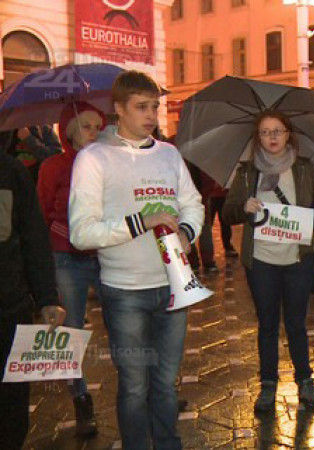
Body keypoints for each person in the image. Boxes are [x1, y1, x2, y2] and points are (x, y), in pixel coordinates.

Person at [69, 70, 204, 450]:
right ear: (119, 109)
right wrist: (140, 222)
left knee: (165, 382)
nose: (151, 115)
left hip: (174, 285)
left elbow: (192, 204)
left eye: (155, 107)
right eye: (141, 107)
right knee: (133, 384)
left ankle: (168, 443)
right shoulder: (93, 158)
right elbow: (82, 233)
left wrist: (188, 232)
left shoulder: (169, 153)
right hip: (125, 291)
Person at [222, 110, 314, 414]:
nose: (272, 137)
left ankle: (305, 382)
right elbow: (227, 214)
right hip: (262, 260)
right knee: (267, 325)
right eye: (266, 132)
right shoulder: (246, 172)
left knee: (297, 323)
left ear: (288, 135)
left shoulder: (305, 168)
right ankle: (268, 384)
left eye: (278, 131)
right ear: (258, 137)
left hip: (297, 258)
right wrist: (243, 206)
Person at [36, 102, 106, 437]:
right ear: (70, 132)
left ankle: (148, 391)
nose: (96, 131)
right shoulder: (54, 166)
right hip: (66, 258)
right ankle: (80, 399)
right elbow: (42, 212)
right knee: (71, 331)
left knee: (126, 323)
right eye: (88, 126)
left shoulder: (109, 164)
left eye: (99, 125)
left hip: (107, 256)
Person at [0, 151, 67, 449]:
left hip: (9, 306)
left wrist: (47, 297)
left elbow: (34, 238)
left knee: (12, 406)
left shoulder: (10, 171)